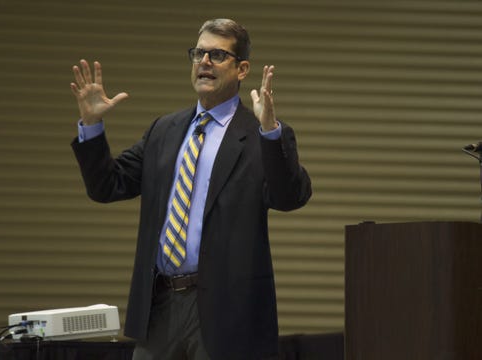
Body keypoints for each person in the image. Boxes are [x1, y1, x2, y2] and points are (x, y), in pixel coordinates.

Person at [70, 18, 312, 360]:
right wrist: (92, 127)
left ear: (242, 69)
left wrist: (270, 131)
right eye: (198, 53)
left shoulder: (260, 134)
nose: (204, 63)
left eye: (216, 55)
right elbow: (108, 185)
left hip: (226, 311)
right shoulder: (164, 131)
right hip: (160, 306)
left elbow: (291, 197)